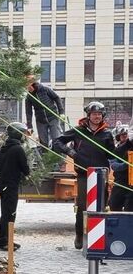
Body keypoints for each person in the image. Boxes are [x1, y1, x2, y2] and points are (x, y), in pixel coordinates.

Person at [54, 101, 116, 249]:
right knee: (82, 206)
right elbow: (57, 142)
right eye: (94, 114)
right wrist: (71, 152)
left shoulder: (107, 133)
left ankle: (98, 238)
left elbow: (112, 154)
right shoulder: (78, 131)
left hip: (101, 174)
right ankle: (79, 235)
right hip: (84, 174)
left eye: (99, 114)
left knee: (100, 207)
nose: (97, 117)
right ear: (88, 115)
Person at [0, 122, 31, 251]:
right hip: (11, 186)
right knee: (10, 214)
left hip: (3, 184)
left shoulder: (3, 149)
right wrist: (26, 174)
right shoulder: (17, 149)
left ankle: (6, 239)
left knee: (5, 213)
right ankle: (4, 241)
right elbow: (25, 168)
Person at [25, 74, 65, 148]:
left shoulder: (45, 89)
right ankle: (45, 157)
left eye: (28, 85)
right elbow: (28, 112)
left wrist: (61, 112)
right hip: (41, 121)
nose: (27, 88)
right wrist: (29, 126)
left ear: (33, 84)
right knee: (43, 143)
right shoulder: (29, 97)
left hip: (53, 118)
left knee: (57, 140)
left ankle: (59, 157)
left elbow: (57, 98)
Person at [109, 125, 133, 212]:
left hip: (132, 184)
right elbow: (113, 165)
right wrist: (126, 165)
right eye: (122, 135)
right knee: (114, 205)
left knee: (129, 208)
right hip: (120, 182)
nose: (125, 136)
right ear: (118, 136)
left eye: (126, 134)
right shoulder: (115, 150)